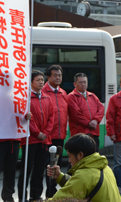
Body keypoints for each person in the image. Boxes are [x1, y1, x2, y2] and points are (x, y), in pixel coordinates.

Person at [46, 133, 121, 202]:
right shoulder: (106, 168)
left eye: (69, 156)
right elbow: (81, 185)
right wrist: (59, 176)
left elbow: (58, 200)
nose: (69, 160)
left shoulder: (83, 175)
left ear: (80, 155)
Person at [18, 70, 54, 202]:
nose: (41, 82)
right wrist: (37, 133)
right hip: (30, 140)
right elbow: (26, 119)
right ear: (31, 82)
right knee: (26, 170)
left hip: (44, 139)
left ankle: (36, 195)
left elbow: (52, 117)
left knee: (40, 169)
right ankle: (23, 196)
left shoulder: (47, 98)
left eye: (42, 80)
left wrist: (46, 133)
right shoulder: (25, 98)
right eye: (38, 80)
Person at [43, 65, 68, 198]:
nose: (58, 78)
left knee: (57, 164)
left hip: (60, 134)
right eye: (55, 75)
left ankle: (52, 191)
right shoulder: (43, 92)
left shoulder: (63, 93)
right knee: (48, 166)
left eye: (60, 75)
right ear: (48, 77)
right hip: (47, 136)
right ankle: (49, 192)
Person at [67, 73, 104, 152]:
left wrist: (95, 120)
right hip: (79, 134)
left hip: (93, 134)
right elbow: (75, 114)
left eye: (85, 82)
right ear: (74, 84)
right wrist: (88, 123)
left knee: (93, 158)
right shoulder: (71, 96)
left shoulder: (92, 95)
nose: (83, 84)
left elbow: (101, 109)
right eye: (80, 82)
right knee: (79, 159)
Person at [0, 113, 31, 202]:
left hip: (14, 139)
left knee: (11, 170)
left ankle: (8, 196)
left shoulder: (16, 99)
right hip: (2, 139)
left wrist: (28, 116)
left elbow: (23, 112)